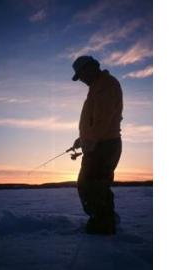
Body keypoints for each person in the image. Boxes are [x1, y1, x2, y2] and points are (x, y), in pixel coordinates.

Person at [71, 55, 123, 235]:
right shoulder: (96, 87)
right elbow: (94, 121)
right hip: (99, 144)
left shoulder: (105, 85)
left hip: (104, 145)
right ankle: (104, 220)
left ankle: (103, 227)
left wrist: (90, 141)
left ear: (92, 67)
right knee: (93, 185)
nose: (82, 79)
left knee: (91, 186)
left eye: (82, 74)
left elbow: (102, 120)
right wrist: (82, 139)